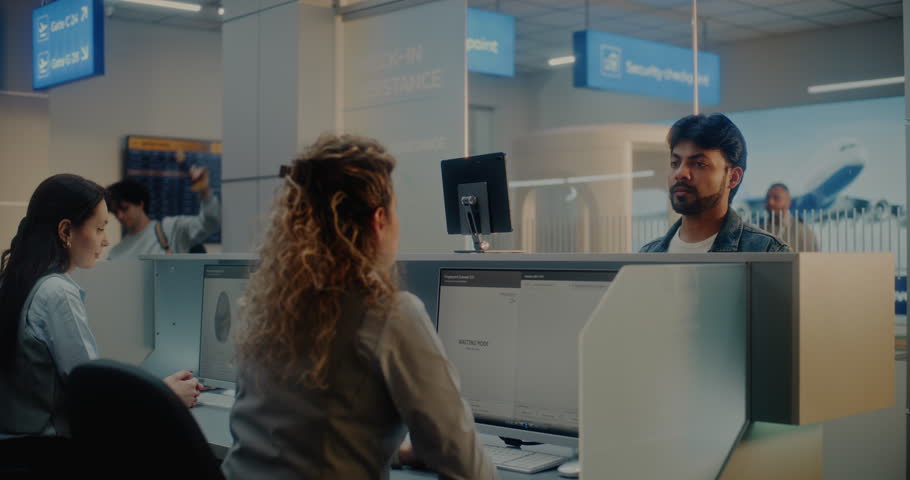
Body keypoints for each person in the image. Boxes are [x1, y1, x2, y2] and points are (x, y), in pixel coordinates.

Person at [222, 135, 495, 480]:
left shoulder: (271, 306)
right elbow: (468, 469)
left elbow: (300, 440)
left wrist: (397, 453)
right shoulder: (388, 313)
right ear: (378, 220)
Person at [0, 174, 202, 438]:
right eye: (99, 228)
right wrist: (167, 394)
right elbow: (96, 400)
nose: (105, 240)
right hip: (47, 457)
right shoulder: (57, 293)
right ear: (65, 231)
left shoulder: (16, 281)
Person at [640, 113, 790, 253]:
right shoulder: (648, 254)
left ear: (733, 177)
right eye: (675, 163)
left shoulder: (767, 252)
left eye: (699, 164)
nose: (680, 173)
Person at [106, 164, 220, 259]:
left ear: (140, 204)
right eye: (115, 212)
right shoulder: (116, 253)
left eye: (124, 208)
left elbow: (210, 223)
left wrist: (204, 192)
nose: (119, 216)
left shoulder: (171, 230)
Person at [764, 183, 819, 252]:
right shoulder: (760, 230)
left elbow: (812, 260)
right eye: (768, 198)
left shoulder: (803, 232)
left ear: (788, 202)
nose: (770, 202)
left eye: (776, 198)